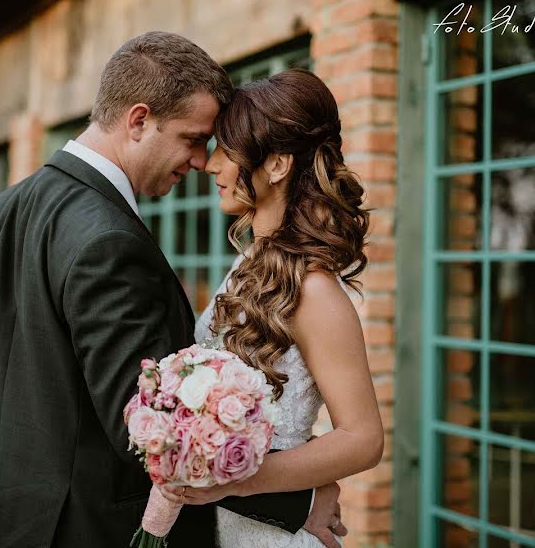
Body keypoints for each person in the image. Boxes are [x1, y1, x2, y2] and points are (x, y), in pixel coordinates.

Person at [0, 32, 345, 547]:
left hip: (18, 522)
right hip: (99, 531)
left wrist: (33, 476)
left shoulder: (0, 211)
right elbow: (147, 431)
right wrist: (300, 502)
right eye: (191, 139)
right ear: (138, 120)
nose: (202, 162)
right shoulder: (108, 238)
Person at [157, 69, 384, 547]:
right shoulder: (248, 263)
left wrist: (238, 480)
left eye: (227, 151)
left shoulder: (315, 290)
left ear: (277, 165)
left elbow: (363, 438)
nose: (211, 166)